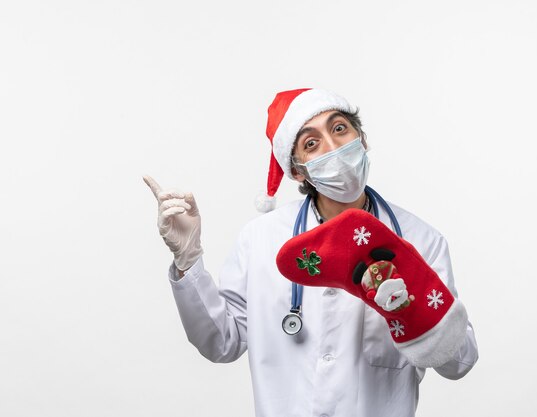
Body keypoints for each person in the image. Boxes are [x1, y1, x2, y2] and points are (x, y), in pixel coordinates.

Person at [144, 88, 478, 417]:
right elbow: (221, 343)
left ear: (362, 140)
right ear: (299, 171)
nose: (333, 148)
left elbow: (459, 361)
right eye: (311, 143)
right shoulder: (261, 239)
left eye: (339, 129)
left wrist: (410, 308)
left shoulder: (421, 240)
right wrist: (188, 261)